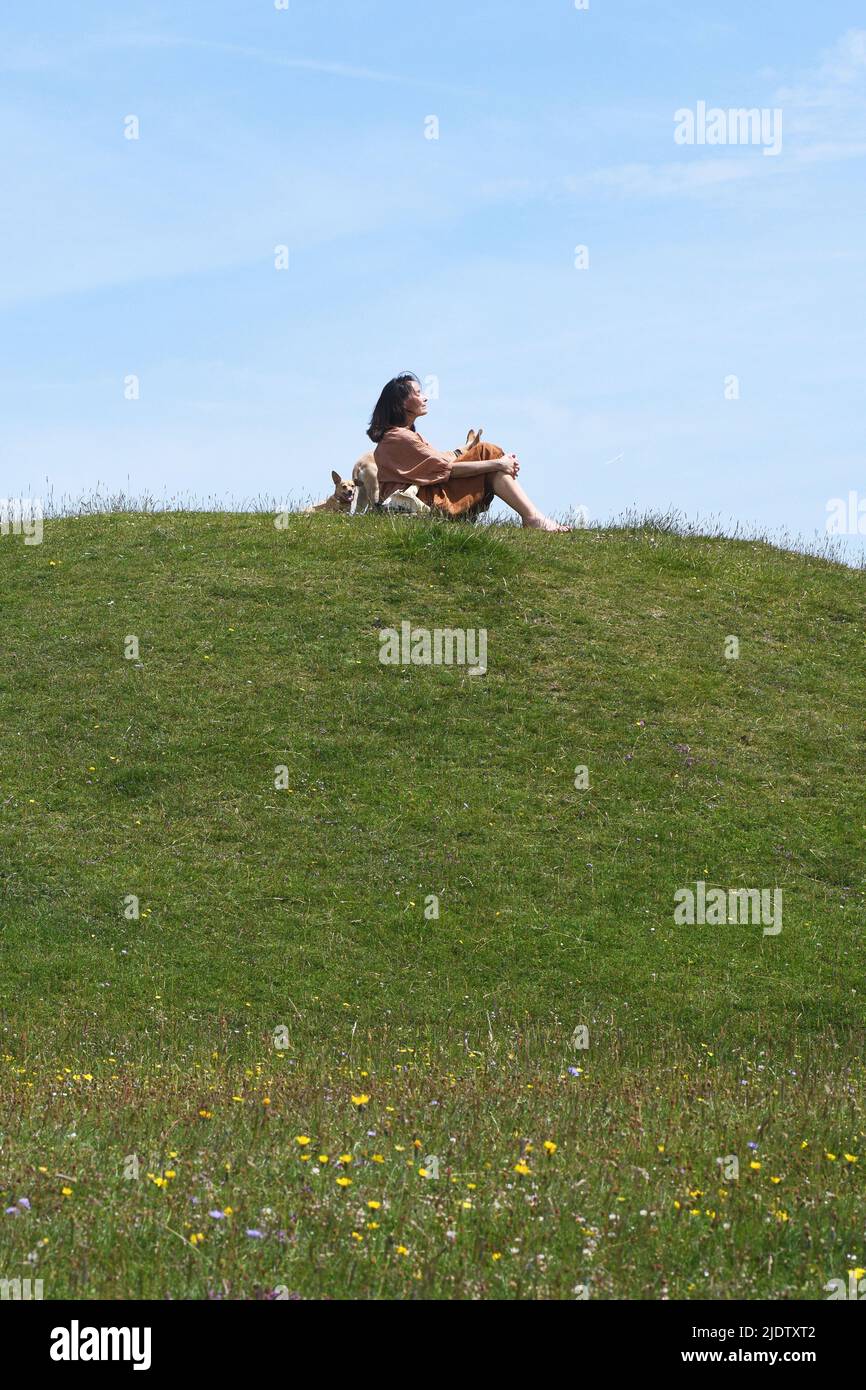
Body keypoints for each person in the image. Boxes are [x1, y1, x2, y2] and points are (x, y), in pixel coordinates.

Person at [367, 373, 568, 530]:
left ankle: (532, 517)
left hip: (424, 498)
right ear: (401, 404)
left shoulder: (400, 436)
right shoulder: (400, 437)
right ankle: (532, 518)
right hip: (423, 503)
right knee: (488, 452)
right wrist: (500, 463)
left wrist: (465, 448)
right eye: (418, 394)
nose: (425, 397)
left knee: (487, 455)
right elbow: (447, 469)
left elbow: (440, 460)